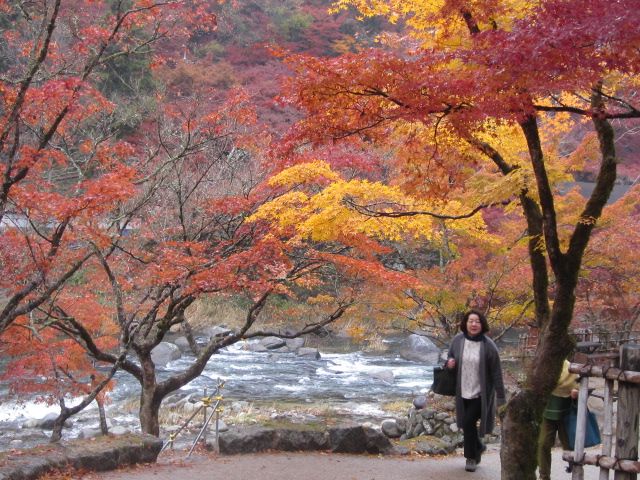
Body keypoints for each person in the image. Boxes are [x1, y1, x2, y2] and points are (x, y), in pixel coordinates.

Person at [446, 310, 506, 472]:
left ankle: (471, 457)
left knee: (468, 422)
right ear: (465, 323)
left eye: (477, 321)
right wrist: (449, 363)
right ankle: (478, 447)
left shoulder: (488, 345)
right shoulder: (458, 341)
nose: (473, 324)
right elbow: (449, 358)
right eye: (470, 321)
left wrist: (501, 398)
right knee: (468, 424)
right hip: (462, 391)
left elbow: (496, 373)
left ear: (482, 324)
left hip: (481, 394)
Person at [537, 359, 579, 480]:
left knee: (570, 447)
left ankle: (575, 470)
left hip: (566, 414)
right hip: (547, 412)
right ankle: (544, 476)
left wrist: (576, 393)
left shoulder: (570, 368)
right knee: (543, 444)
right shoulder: (545, 366)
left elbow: (579, 385)